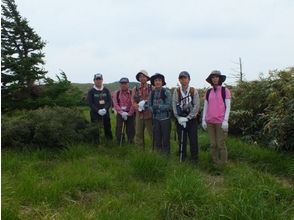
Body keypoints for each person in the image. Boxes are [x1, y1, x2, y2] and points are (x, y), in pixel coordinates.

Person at [202, 70, 231, 166]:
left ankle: (223, 164)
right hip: (210, 122)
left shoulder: (225, 91)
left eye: (216, 77)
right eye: (213, 77)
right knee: (213, 144)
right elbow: (206, 106)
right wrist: (203, 120)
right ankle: (215, 162)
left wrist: (225, 121)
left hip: (220, 122)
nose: (214, 79)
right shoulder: (208, 92)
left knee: (220, 144)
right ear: (211, 79)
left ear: (220, 78)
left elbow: (228, 107)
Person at [172, 71, 200, 162]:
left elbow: (196, 106)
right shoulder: (176, 91)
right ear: (179, 80)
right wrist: (178, 117)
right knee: (181, 139)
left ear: (189, 79)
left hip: (191, 120)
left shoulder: (193, 90)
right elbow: (174, 104)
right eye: (181, 78)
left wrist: (188, 118)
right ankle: (182, 156)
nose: (183, 80)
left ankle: (194, 158)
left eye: (185, 78)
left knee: (193, 139)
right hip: (180, 119)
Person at [148, 73, 172, 155]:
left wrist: (157, 107)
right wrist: (152, 109)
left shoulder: (167, 92)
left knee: (165, 138)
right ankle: (158, 154)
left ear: (162, 82)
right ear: (153, 82)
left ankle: (166, 156)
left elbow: (169, 106)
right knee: (157, 138)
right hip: (155, 119)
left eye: (159, 80)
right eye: (156, 80)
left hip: (165, 119)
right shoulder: (152, 93)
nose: (157, 82)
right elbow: (149, 105)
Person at [87, 73, 113, 141]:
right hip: (95, 113)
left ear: (102, 80)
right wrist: (98, 110)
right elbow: (90, 103)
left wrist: (105, 109)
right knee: (95, 128)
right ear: (94, 80)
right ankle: (96, 142)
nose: (98, 81)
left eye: (100, 79)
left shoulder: (106, 90)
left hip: (105, 112)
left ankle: (109, 141)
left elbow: (109, 101)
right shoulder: (91, 91)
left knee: (107, 127)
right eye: (97, 79)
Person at [132, 70, 153, 149]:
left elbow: (155, 99)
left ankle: (154, 149)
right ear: (138, 78)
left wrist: (146, 102)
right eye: (140, 77)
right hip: (139, 113)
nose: (142, 78)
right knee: (138, 132)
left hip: (149, 113)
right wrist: (137, 106)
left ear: (147, 78)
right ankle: (139, 150)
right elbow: (133, 101)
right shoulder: (135, 88)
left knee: (152, 132)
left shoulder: (152, 87)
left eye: (144, 76)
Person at [112, 77, 135, 144]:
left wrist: (129, 113)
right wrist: (122, 113)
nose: (123, 85)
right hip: (120, 113)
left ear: (128, 84)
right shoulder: (116, 93)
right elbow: (115, 104)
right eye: (122, 83)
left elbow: (133, 103)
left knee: (131, 128)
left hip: (130, 113)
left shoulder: (132, 92)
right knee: (119, 128)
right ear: (120, 84)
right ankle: (120, 141)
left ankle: (130, 141)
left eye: (125, 83)